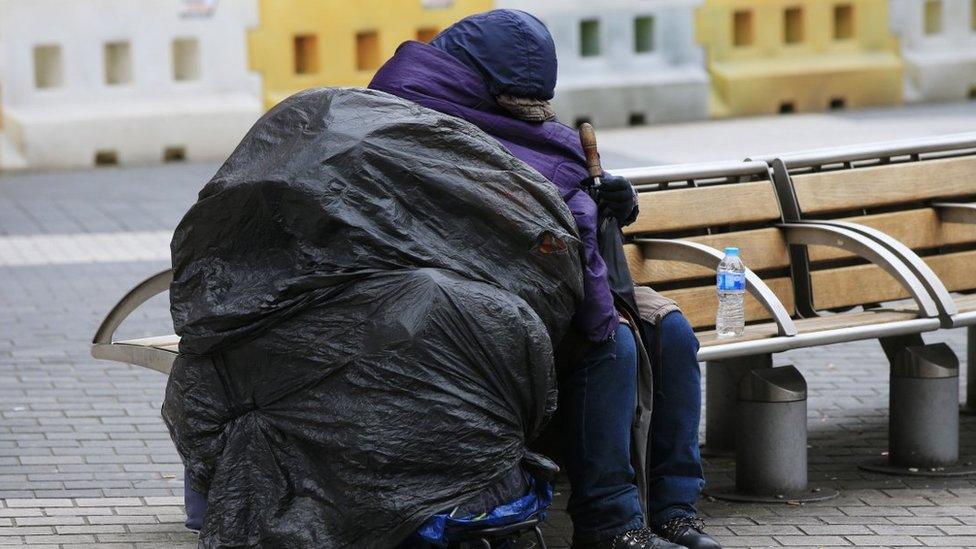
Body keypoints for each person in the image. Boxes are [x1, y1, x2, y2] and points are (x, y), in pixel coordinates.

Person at [370, 10, 720, 549]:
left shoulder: (502, 117)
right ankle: (610, 524)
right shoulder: (409, 115)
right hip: (467, 301)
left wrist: (614, 208)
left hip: (546, 282)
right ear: (485, 85)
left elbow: (552, 190)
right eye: (521, 106)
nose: (536, 118)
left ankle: (674, 509)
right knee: (610, 344)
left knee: (669, 331)